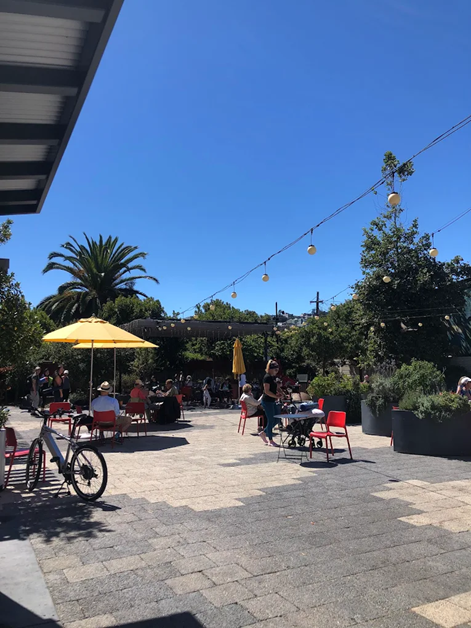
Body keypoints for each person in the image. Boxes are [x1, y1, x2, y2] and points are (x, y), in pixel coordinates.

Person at [260, 360, 282, 446]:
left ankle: (264, 432)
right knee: (271, 420)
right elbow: (267, 391)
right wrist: (276, 396)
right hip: (267, 401)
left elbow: (277, 388)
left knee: (277, 419)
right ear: (271, 369)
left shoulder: (273, 377)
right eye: (275, 370)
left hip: (272, 401)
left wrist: (283, 394)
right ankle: (270, 440)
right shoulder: (267, 377)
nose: (276, 371)